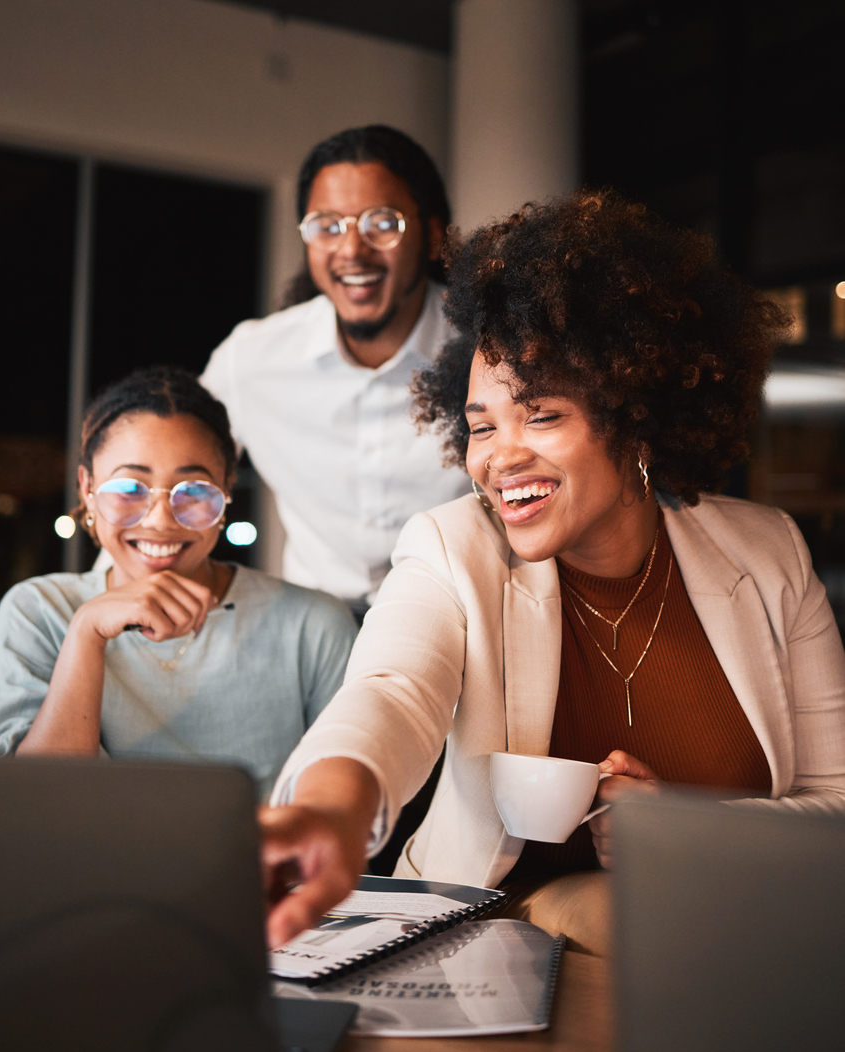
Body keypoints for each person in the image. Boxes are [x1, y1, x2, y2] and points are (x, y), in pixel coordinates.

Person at [259, 190, 845, 953]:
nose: (501, 458)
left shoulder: (767, 553)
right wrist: (331, 811)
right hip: (486, 943)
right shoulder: (449, 549)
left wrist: (682, 831)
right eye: (480, 428)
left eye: (542, 415)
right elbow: (392, 692)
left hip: (722, 946)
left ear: (632, 413)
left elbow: (836, 801)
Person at [0, 367, 356, 796]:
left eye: (192, 491)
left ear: (226, 488)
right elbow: (25, 803)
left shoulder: (313, 624)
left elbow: (340, 803)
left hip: (251, 863)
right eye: (129, 487)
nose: (159, 521)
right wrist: (87, 631)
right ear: (87, 490)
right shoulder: (38, 610)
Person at [201, 125, 470, 619]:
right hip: (313, 638)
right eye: (327, 225)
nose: (351, 250)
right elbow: (172, 465)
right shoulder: (252, 359)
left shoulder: (490, 351)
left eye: (381, 223)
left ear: (433, 236)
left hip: (465, 628)